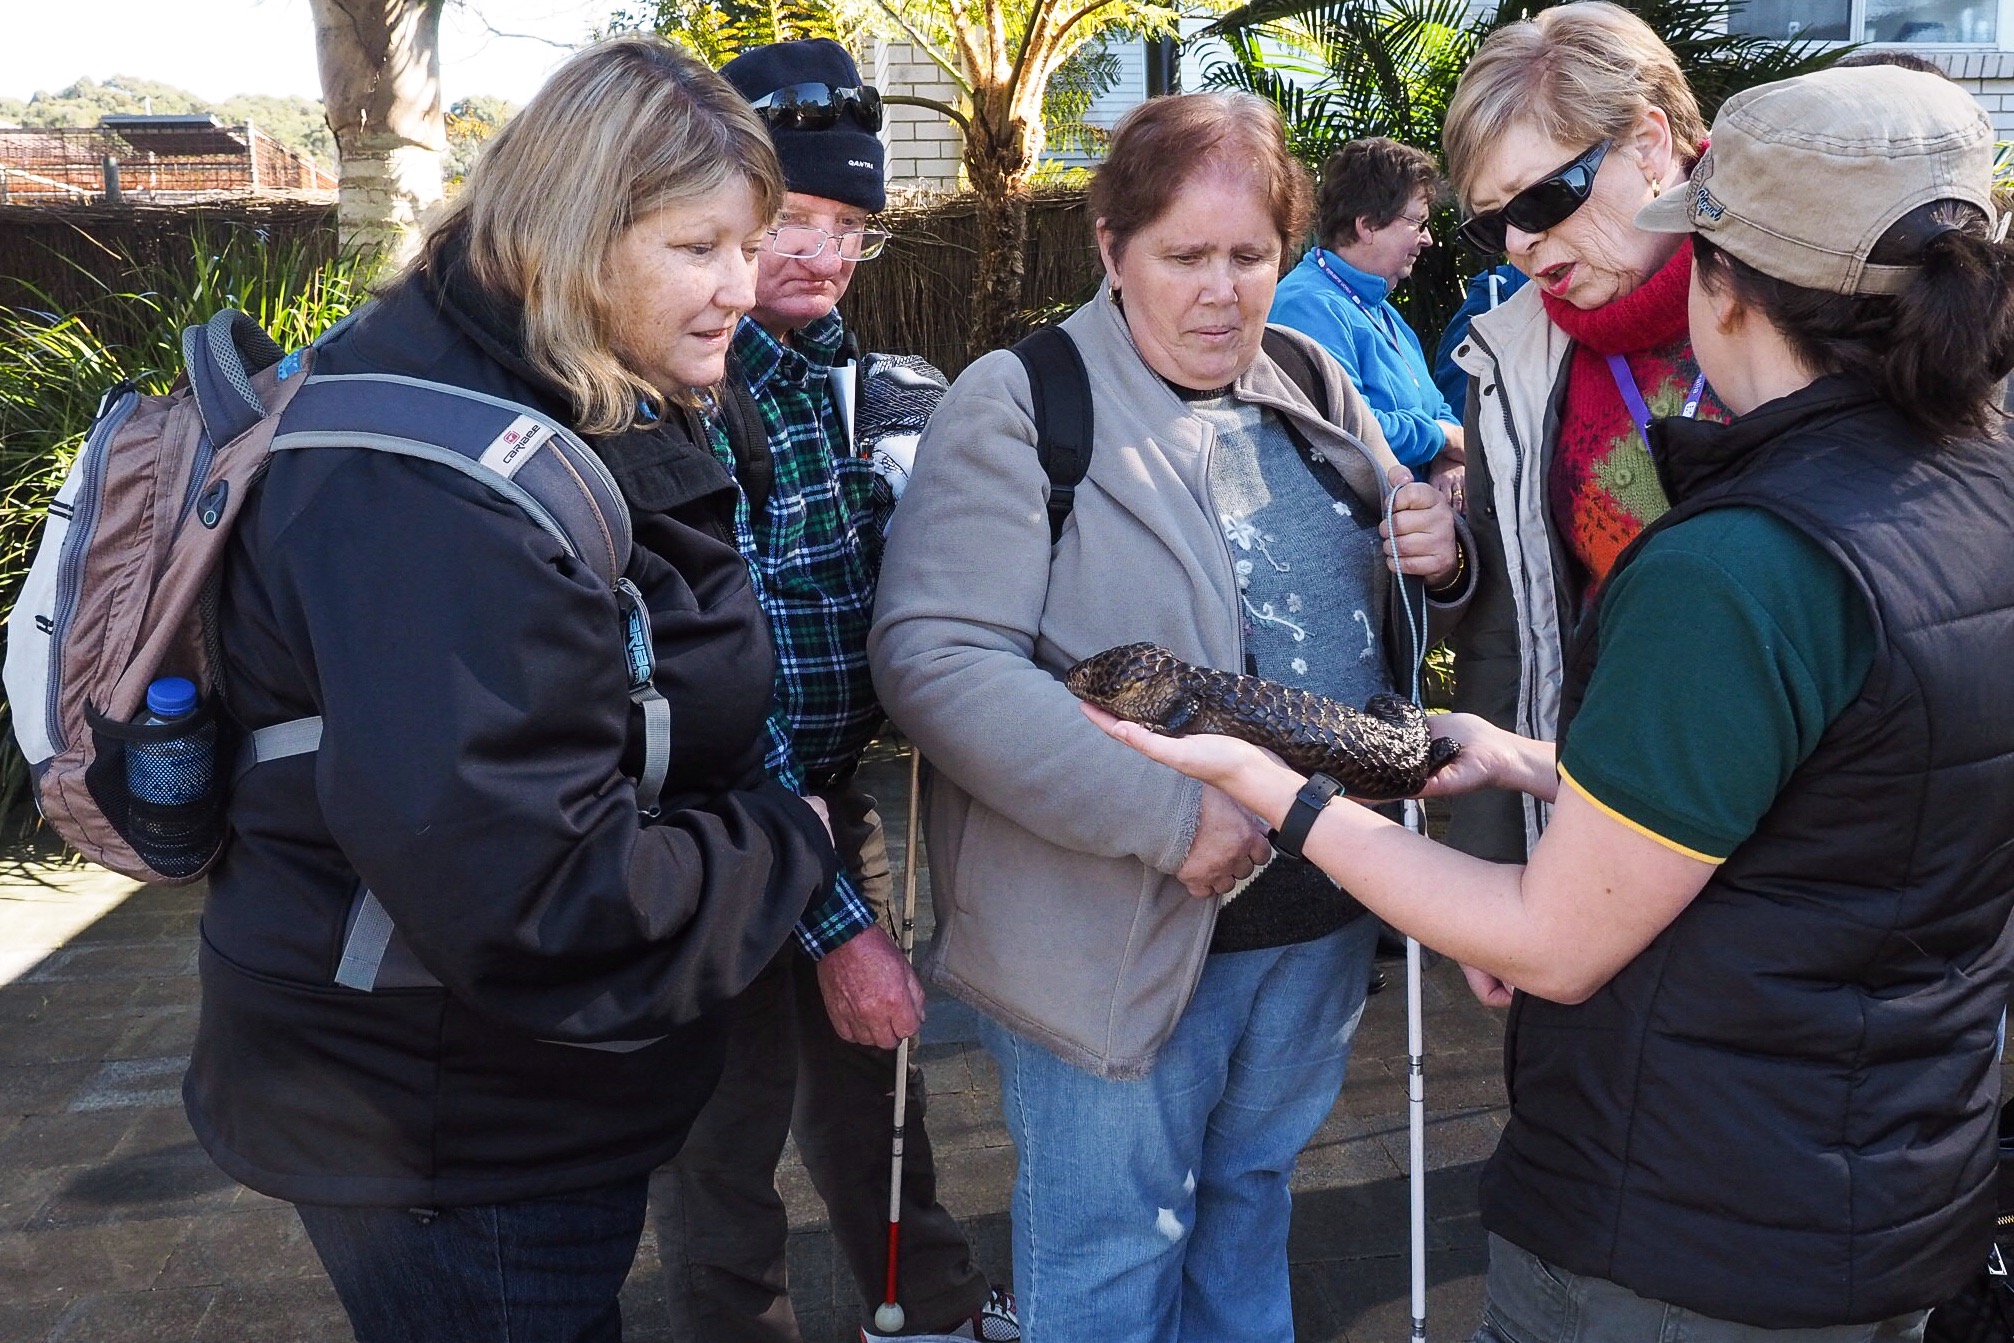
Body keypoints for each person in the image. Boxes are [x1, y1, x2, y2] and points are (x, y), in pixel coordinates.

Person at [1094, 63, 2014, 1341]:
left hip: (1688, 1207)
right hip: (1882, 1173)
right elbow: (1828, 787)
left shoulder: (1738, 562)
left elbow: (1551, 936)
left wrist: (1277, 790)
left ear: (1722, 281)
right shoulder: (1977, 484)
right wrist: (1531, 763)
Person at [183, 37, 844, 1343]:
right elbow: (530, 889)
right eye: (698, 246)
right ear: (577, 230)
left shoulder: (542, 370)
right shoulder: (433, 486)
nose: (740, 286)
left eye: (747, 243)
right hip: (446, 1130)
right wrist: (782, 845)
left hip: (494, 1095)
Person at [869, 92, 1470, 1343]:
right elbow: (935, 657)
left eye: (1249, 256)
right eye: (1183, 257)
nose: (1220, 291)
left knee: (1245, 1210)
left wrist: (1435, 555)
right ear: (1110, 248)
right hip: (1120, 929)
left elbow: (1380, 598)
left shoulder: (1306, 373)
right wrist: (1163, 813)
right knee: (1105, 1264)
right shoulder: (1025, 399)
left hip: (1312, 919)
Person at [650, 38, 1016, 1343]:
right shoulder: (673, 380)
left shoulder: (822, 368)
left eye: (851, 224)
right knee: (719, 1140)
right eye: (793, 216)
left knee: (875, 1090)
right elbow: (719, 697)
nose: (821, 253)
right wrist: (838, 924)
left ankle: (927, 1303)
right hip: (705, 830)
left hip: (819, 800)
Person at [1437, 0, 1730, 863]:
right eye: (1494, 223)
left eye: (1545, 196)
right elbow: (1505, 635)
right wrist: (1495, 863)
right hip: (1602, 820)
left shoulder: (1808, 295)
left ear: (1650, 143)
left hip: (1809, 834)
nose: (1523, 243)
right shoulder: (1506, 360)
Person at [1270, 137, 1468, 507]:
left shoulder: (1381, 310)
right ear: (1367, 226)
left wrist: (1444, 457)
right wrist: (1443, 439)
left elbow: (1437, 407)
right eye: (1417, 223)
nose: (1427, 239)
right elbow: (1350, 432)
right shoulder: (1308, 306)